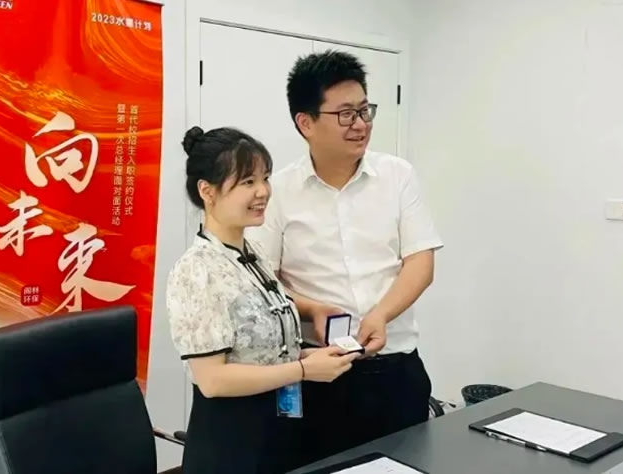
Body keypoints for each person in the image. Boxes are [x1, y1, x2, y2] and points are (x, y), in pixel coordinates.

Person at [246, 50, 444, 465]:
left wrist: (381, 314)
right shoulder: (278, 192)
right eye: (346, 114)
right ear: (306, 123)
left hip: (396, 368)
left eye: (365, 110)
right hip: (319, 373)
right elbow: (262, 282)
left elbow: (420, 263)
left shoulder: (397, 176)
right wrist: (312, 308)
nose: (361, 124)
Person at [165, 125, 360, 474]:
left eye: (265, 178)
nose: (263, 191)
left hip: (277, 431)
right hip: (232, 444)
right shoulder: (197, 270)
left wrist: (310, 355)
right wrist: (303, 369)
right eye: (247, 182)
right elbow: (213, 380)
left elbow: (260, 352)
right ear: (207, 191)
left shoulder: (251, 253)